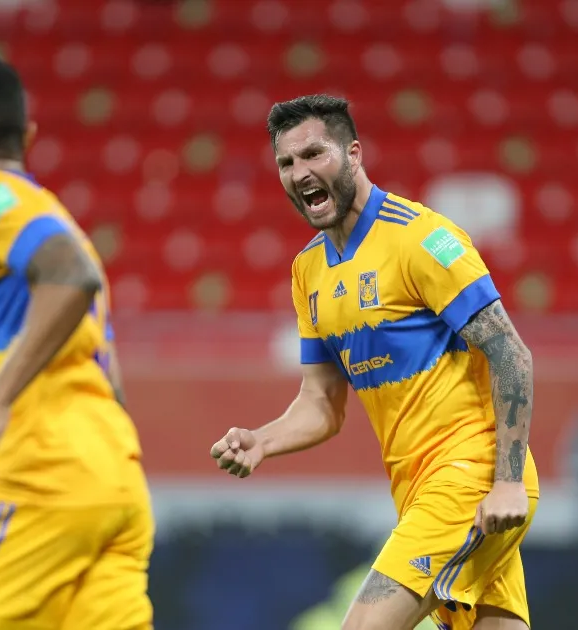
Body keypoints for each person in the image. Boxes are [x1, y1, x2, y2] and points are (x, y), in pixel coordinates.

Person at [210, 95, 538, 630]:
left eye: (314, 154)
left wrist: (506, 480)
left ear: (354, 154)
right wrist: (262, 440)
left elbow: (510, 353)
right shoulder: (307, 272)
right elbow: (321, 403)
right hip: (417, 492)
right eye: (287, 163)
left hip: (470, 478)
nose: (300, 173)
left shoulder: (422, 238)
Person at [0, 55, 153, 630]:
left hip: (45, 468)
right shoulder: (62, 222)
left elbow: (71, 276)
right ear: (29, 136)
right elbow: (107, 378)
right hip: (116, 478)